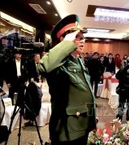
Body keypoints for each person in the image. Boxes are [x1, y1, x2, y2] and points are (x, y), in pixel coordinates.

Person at [38, 14, 97, 145]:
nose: (82, 41)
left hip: (82, 123)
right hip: (68, 129)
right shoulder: (58, 63)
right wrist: (66, 44)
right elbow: (43, 67)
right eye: (77, 37)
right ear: (64, 40)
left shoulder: (78, 61)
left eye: (83, 38)